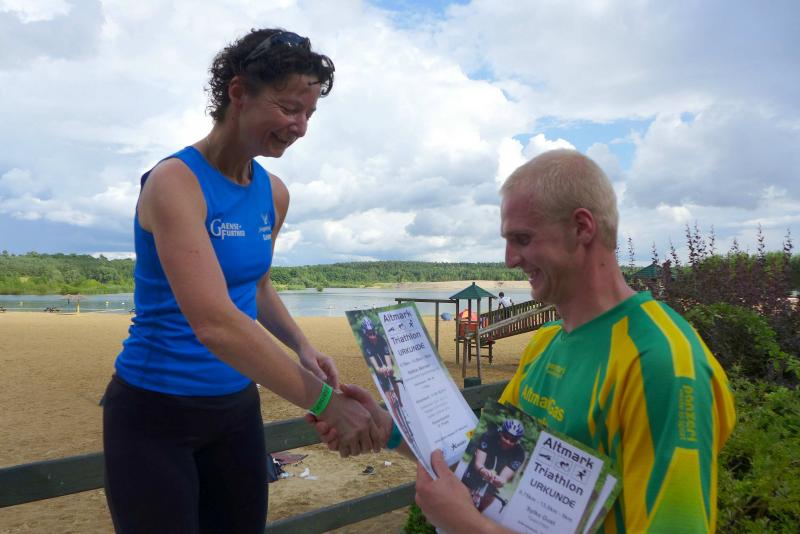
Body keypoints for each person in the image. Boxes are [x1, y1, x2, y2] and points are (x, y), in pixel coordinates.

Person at [315, 149, 737, 534]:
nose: (509, 260)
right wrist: (389, 428)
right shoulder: (547, 342)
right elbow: (482, 461)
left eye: (522, 239)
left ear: (581, 227)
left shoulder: (660, 363)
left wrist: (471, 528)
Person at [102, 28, 382, 534]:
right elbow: (214, 323)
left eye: (309, 114)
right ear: (238, 92)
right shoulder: (175, 182)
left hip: (235, 409)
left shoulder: (273, 193)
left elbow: (256, 286)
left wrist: (302, 344)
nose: (300, 128)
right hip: (155, 411)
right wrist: (327, 404)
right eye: (289, 108)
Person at [460, 418, 526, 512]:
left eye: (513, 440)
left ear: (518, 441)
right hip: (482, 462)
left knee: (490, 495)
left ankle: (478, 512)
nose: (508, 441)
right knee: (463, 496)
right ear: (501, 432)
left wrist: (500, 481)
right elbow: (478, 463)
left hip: (498, 470)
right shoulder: (489, 435)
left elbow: (504, 477)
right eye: (505, 436)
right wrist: (482, 470)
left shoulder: (519, 453)